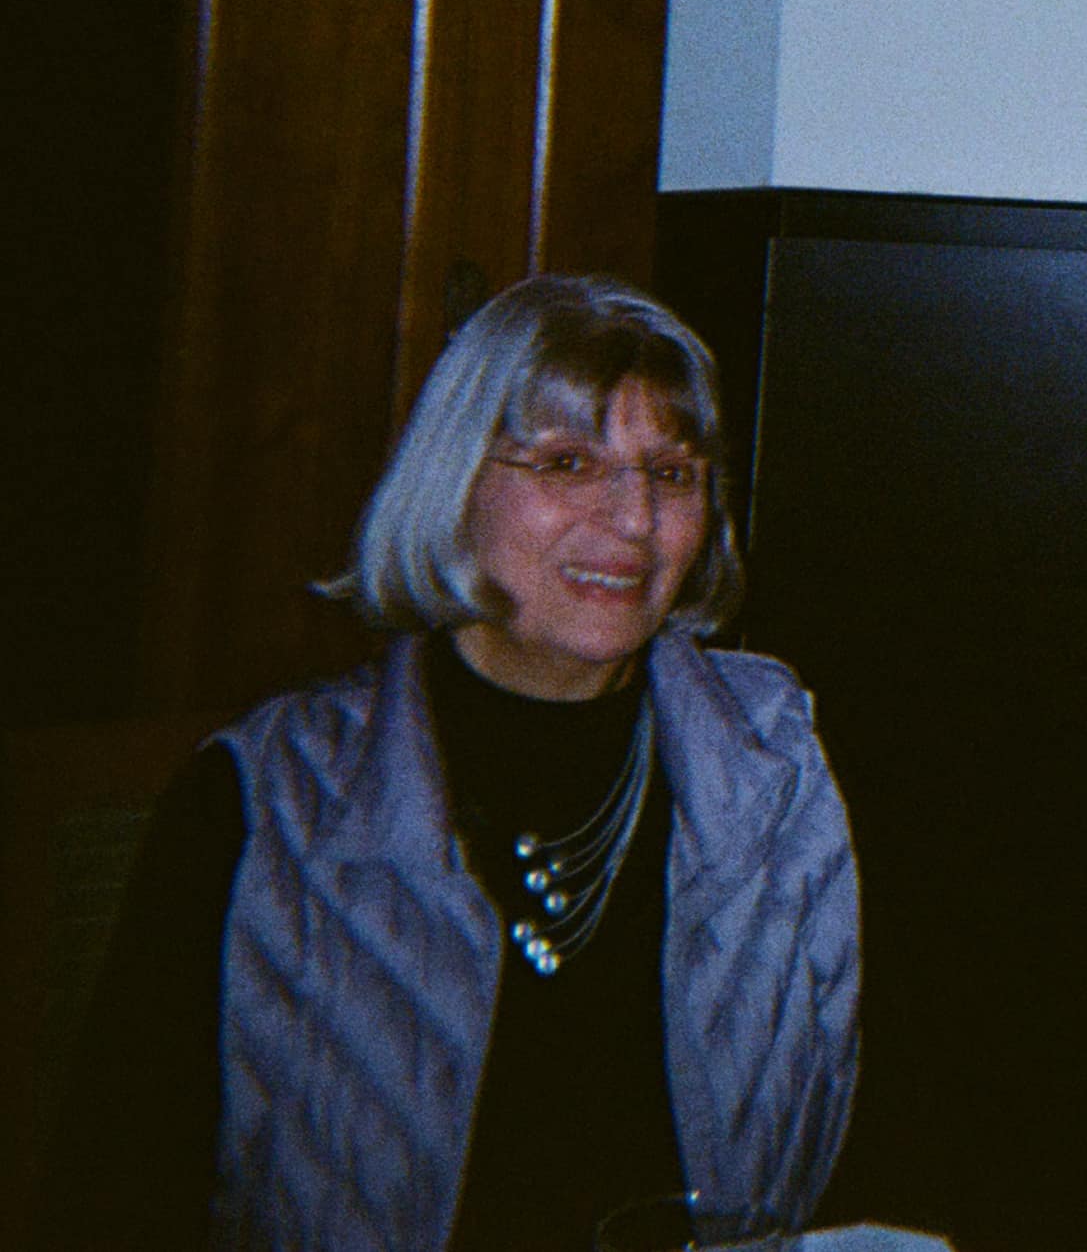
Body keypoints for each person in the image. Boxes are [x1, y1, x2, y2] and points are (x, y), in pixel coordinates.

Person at [41, 275, 861, 1252]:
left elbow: (860, 1141)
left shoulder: (772, 763)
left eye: (673, 473)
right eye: (568, 461)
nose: (635, 519)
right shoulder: (271, 796)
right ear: (455, 481)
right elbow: (118, 1192)